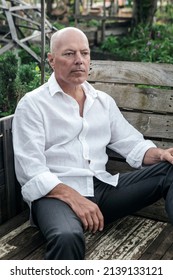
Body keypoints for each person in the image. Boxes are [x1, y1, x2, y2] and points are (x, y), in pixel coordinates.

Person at [12, 27, 173, 260]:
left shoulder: (102, 102)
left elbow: (131, 143)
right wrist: (74, 198)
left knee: (170, 170)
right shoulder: (33, 104)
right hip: (55, 195)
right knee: (66, 236)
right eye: (69, 54)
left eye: (84, 53)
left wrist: (161, 154)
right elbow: (31, 170)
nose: (79, 61)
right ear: (51, 60)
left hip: (102, 190)